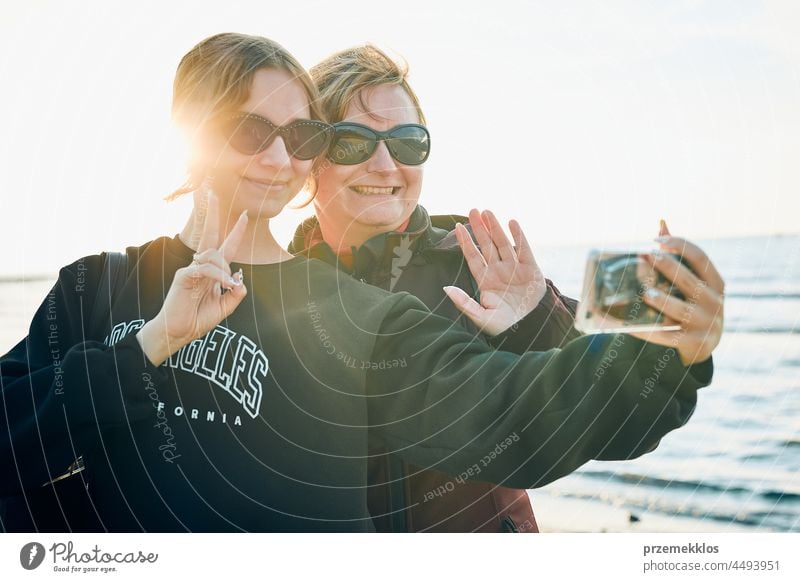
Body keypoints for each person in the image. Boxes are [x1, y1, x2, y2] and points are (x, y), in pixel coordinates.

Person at [0, 33, 723, 533]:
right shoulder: (91, 290)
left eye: (301, 136)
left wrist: (663, 352)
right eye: (252, 131)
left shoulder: (379, 304)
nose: (280, 155)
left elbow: (516, 411)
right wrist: (150, 345)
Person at [291, 45, 583, 532]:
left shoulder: (477, 265)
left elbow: (594, 411)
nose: (386, 165)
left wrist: (535, 322)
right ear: (308, 155)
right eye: (351, 143)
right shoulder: (278, 291)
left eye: (407, 142)